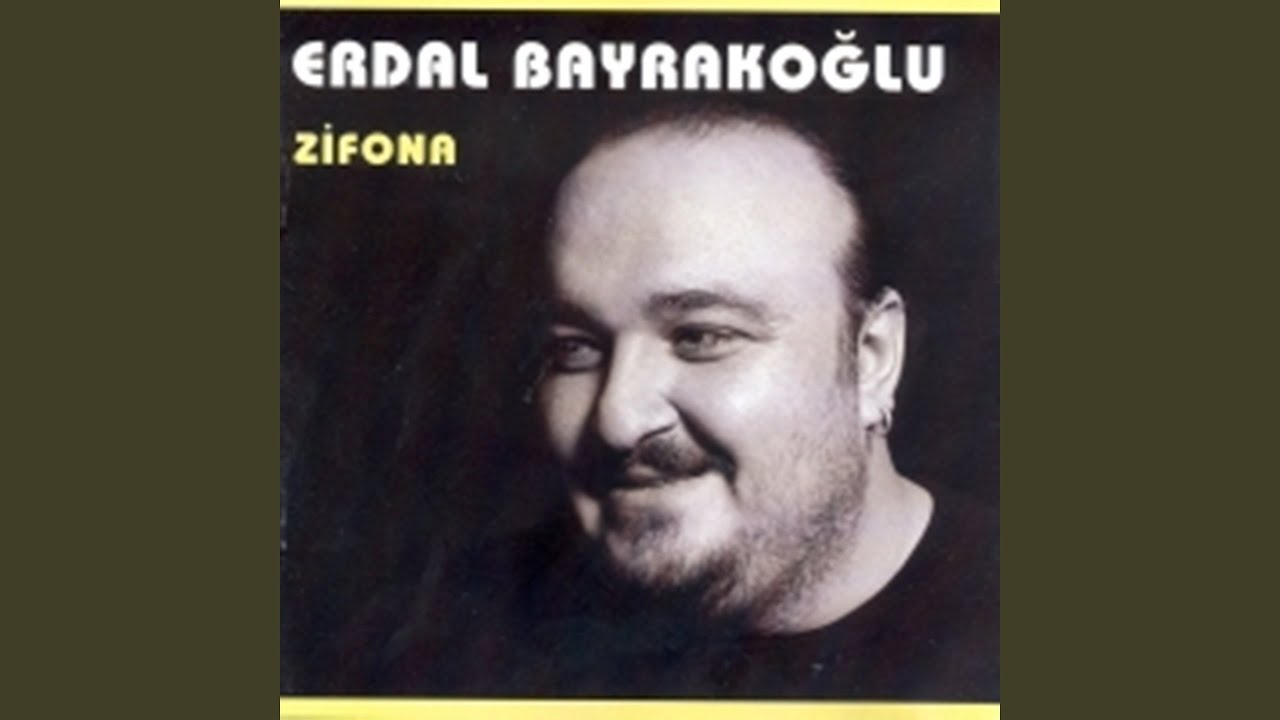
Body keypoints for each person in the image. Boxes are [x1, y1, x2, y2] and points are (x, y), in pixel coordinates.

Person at [364, 107, 998, 700]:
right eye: (575, 350)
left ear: (873, 357)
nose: (618, 419)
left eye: (701, 337)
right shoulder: (441, 632)